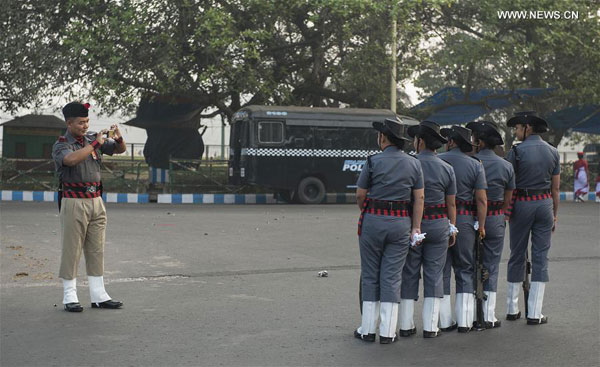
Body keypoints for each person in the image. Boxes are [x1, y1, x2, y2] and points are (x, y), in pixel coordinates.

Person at [354, 118, 425, 344]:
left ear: (383, 137)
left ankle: (368, 330)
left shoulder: (373, 161)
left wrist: (369, 211)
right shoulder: (414, 164)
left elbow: (360, 194)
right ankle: (387, 332)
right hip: (400, 223)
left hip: (373, 222)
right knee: (392, 276)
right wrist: (415, 226)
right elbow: (419, 197)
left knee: (370, 275)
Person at [52, 101, 126, 312]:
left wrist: (118, 137)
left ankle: (98, 294)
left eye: (87, 122)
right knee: (72, 249)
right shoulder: (61, 144)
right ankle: (69, 295)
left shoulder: (93, 139)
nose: (85, 126)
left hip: (96, 200)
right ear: (69, 123)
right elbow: (71, 160)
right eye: (81, 122)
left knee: (96, 248)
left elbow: (119, 150)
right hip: (74, 201)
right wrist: (94, 145)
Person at [399, 121, 457, 338]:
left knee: (410, 272)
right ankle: (431, 327)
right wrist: (452, 227)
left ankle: (405, 325)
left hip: (415, 224)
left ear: (420, 141)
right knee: (435, 274)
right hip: (440, 223)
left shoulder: (410, 164)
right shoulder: (447, 168)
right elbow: (451, 203)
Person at [505, 111, 560, 325]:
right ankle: (535, 313)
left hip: (522, 204)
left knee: (517, 253)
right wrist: (555, 215)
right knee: (540, 256)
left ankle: (512, 308)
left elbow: (509, 185)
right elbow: (555, 188)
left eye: (518, 128)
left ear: (527, 128)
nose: (516, 132)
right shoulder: (553, 152)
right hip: (545, 203)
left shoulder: (516, 152)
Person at [438, 125, 487, 333]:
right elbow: (481, 199)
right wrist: (482, 225)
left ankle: (444, 320)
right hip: (466, 219)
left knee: (441, 269)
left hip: (440, 217)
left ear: (450, 142)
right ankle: (466, 321)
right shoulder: (475, 164)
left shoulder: (439, 161)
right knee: (465, 268)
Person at [467, 120, 515, 328]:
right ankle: (488, 315)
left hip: (470, 218)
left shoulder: (470, 162)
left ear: (479, 141)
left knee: (468, 266)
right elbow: (509, 197)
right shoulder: (506, 165)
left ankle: (467, 315)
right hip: (496, 218)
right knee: (491, 266)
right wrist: (501, 214)